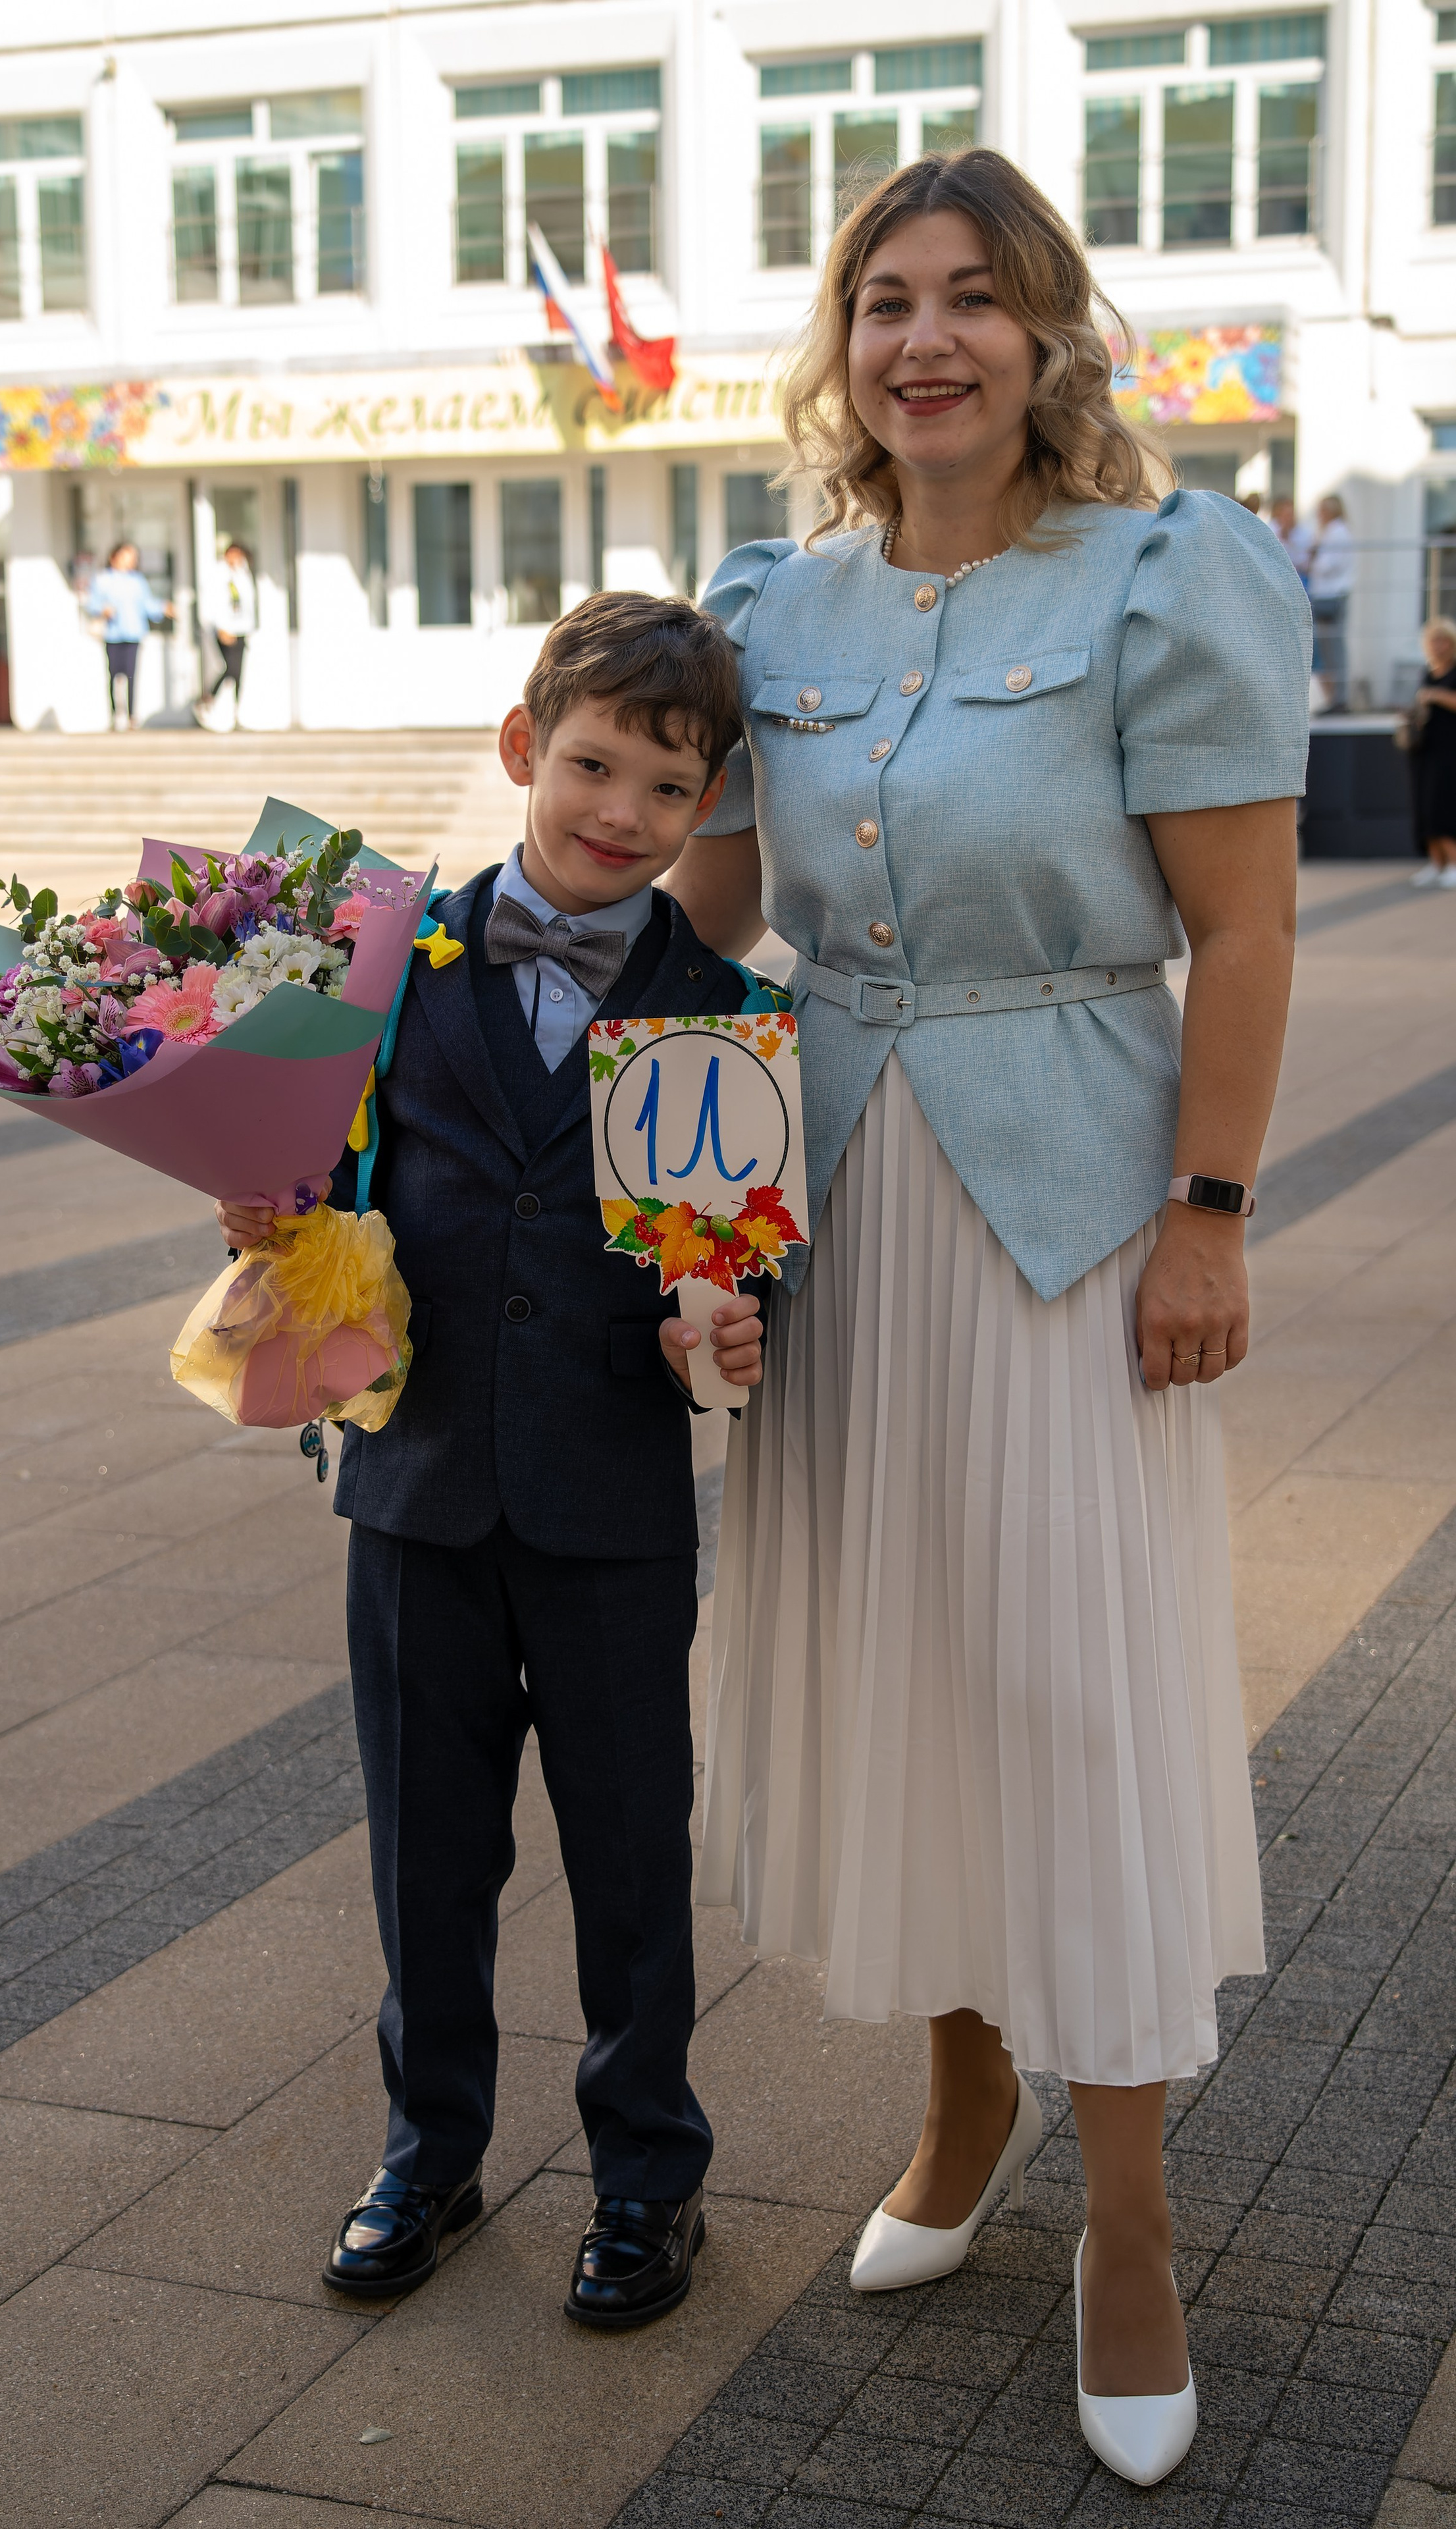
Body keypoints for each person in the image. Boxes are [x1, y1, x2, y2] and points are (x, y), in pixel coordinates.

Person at [666, 147, 1309, 2488]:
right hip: (826, 1211)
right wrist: (579, 794)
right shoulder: (768, 604)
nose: (920, 340)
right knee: (899, 1669)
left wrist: (1207, 1218)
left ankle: (1118, 2217)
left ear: (1043, 336)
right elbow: (710, 911)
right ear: (840, 348)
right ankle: (953, 2109)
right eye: (880, 303)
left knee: (1074, 1687)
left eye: (967, 301)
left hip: (1065, 1215)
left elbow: (1233, 932)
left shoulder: (1162, 575)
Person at [213, 593, 770, 2328]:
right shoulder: (359, 962)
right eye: (594, 765)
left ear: (707, 809)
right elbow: (310, 1179)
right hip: (415, 1485)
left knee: (628, 1860)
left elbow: (745, 1256)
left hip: (609, 1506)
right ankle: (428, 2152)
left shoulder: (719, 1008)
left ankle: (646, 2177)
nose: (619, 811)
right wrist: (261, 1204)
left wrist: (738, 1319)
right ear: (527, 748)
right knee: (427, 1854)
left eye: (666, 790)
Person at [83, 541, 171, 730]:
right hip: (113, 634)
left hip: (133, 633)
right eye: (126, 556)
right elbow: (91, 603)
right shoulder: (103, 580)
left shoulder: (138, 581)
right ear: (114, 557)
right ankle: (115, 715)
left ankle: (132, 716)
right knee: (114, 674)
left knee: (131, 675)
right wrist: (102, 609)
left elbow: (148, 605)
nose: (130, 561)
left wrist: (164, 608)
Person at [1407, 616, 1456, 887]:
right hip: (1424, 749)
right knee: (1424, 805)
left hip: (1450, 752)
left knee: (1444, 805)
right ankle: (1436, 862)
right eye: (1434, 641)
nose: (1439, 646)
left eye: (1444, 641)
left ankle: (1453, 862)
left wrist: (1436, 695)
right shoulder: (1426, 673)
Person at [197, 539, 257, 732]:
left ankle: (236, 713)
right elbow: (211, 602)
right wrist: (219, 626)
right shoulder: (217, 573)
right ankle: (207, 699)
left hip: (241, 629)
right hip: (224, 628)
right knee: (229, 668)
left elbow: (248, 603)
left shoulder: (243, 573)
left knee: (238, 672)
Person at [1307, 492, 1356, 711]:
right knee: (1329, 648)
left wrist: (1312, 559)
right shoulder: (1337, 531)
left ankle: (1339, 698)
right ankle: (1335, 697)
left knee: (1332, 648)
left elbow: (1328, 566)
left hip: (1331, 595)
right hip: (1330, 594)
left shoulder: (1336, 532)